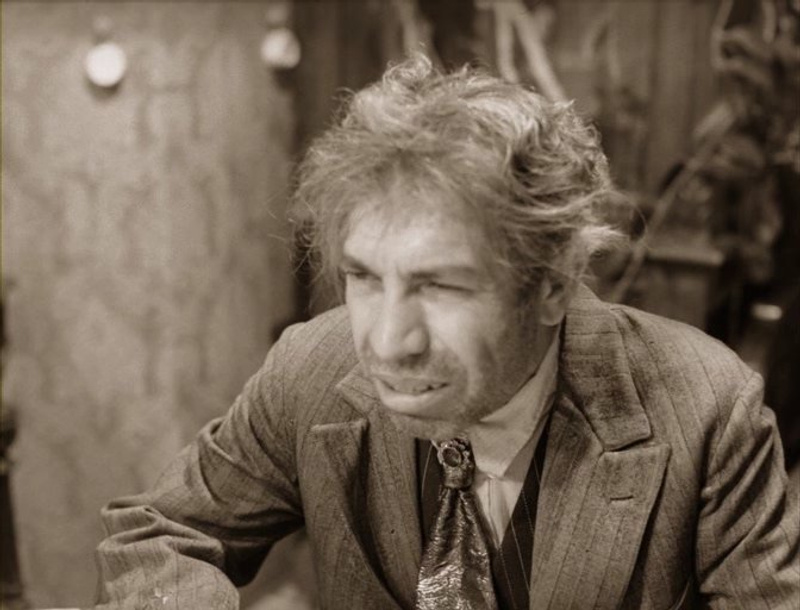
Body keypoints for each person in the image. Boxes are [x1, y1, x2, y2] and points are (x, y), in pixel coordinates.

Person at [94, 57, 799, 609]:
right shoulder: (309, 367)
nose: (387, 343)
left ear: (553, 285)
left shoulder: (708, 412)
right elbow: (162, 533)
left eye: (441, 286)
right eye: (365, 277)